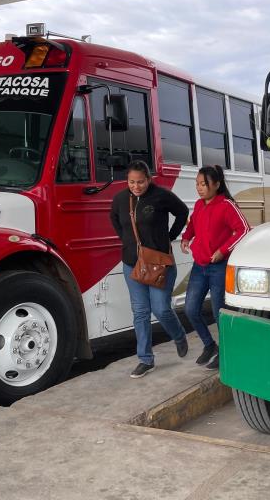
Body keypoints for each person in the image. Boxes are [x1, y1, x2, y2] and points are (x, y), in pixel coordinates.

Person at [110, 160, 190, 378]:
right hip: (132, 264)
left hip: (160, 262)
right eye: (132, 182)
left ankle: (179, 336)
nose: (136, 186)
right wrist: (128, 243)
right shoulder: (119, 199)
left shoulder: (161, 196)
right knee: (140, 312)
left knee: (161, 308)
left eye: (141, 182)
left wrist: (170, 237)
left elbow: (182, 212)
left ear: (149, 179)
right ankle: (145, 359)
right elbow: (115, 220)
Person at [181, 165, 250, 370]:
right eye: (197, 184)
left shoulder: (226, 205)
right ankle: (209, 346)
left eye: (204, 184)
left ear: (216, 185)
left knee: (220, 312)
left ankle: (226, 352)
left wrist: (223, 250)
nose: (199, 188)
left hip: (219, 267)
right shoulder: (199, 205)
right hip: (200, 266)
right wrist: (186, 238)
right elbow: (193, 224)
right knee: (190, 309)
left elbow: (243, 229)